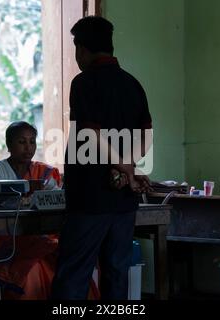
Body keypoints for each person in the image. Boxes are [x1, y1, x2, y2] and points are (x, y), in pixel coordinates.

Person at [51, 16, 153, 300]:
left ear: (81, 49)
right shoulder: (133, 84)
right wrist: (128, 168)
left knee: (74, 273)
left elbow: (91, 135)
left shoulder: (84, 83)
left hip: (90, 199)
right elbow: (147, 135)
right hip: (123, 199)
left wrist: (121, 166)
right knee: (117, 272)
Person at [0, 121, 99, 300]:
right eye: (22, 142)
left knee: (72, 262)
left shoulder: (44, 172)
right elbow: (3, 202)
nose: (28, 148)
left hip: (41, 238)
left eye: (32, 142)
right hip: (10, 241)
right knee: (32, 268)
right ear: (9, 145)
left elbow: (56, 198)